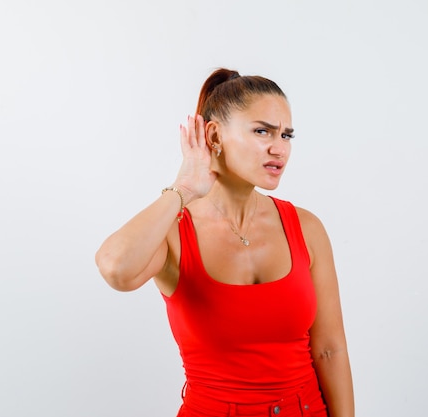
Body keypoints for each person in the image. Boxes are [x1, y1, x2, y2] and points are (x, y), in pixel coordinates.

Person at [95, 68, 354, 417]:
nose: (279, 148)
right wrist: (183, 189)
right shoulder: (174, 231)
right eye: (262, 131)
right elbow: (116, 269)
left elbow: (330, 349)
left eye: (287, 135)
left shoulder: (306, 228)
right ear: (214, 135)